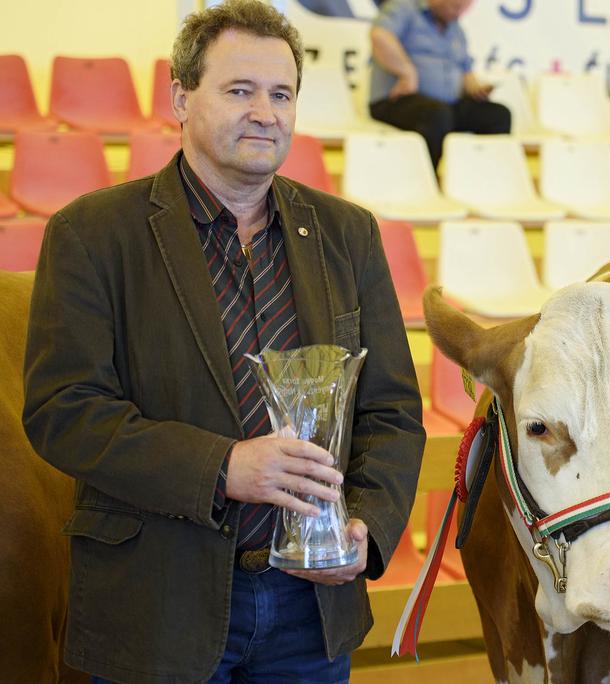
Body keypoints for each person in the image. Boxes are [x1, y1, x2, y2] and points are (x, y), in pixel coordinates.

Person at [22, 1, 425, 682]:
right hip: (158, 602)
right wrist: (222, 467)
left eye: (281, 94)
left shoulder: (348, 234)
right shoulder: (93, 234)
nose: (265, 113)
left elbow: (390, 410)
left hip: (311, 606)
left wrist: (369, 524)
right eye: (240, 90)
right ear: (181, 97)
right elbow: (64, 411)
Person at [368, 0, 511, 168]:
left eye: (464, 8)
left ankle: (479, 181)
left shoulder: (456, 29)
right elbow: (380, 36)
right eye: (454, 6)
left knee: (497, 115)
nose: (458, 13)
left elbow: (465, 69)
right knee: (436, 115)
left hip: (444, 106)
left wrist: (475, 88)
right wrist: (406, 71)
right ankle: (426, 180)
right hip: (397, 99)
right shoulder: (405, 8)